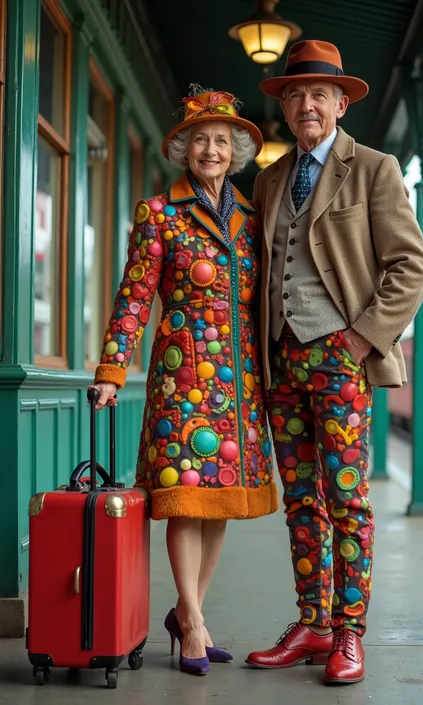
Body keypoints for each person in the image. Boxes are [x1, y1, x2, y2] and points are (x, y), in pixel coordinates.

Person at [245, 40, 423, 684]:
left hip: (340, 358)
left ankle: (350, 633)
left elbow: (411, 266)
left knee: (346, 500)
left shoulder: (374, 168)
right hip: (281, 366)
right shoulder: (269, 178)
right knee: (300, 501)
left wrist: (361, 339)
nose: (305, 105)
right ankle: (313, 624)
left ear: (341, 102)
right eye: (294, 94)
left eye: (317, 94)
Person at [93, 85, 278, 676]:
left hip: (239, 386)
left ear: (237, 150)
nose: (212, 150)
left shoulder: (252, 220)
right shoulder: (159, 214)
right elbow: (134, 297)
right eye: (201, 139)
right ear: (184, 149)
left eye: (223, 141)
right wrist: (112, 371)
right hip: (182, 383)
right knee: (184, 500)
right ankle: (194, 621)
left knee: (217, 504)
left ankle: (186, 611)